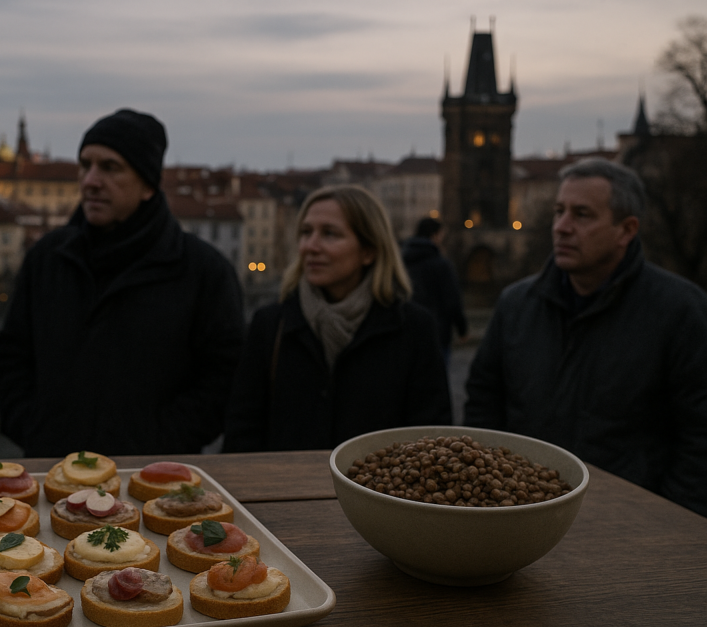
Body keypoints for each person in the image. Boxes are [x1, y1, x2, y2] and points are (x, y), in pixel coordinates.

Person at [0, 108, 244, 459]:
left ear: (147, 185)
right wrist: (35, 428)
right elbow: (12, 357)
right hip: (54, 469)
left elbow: (224, 380)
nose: (90, 181)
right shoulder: (47, 258)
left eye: (110, 168)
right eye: (86, 165)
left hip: (152, 479)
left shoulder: (204, 271)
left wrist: (160, 442)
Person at [465, 158, 707, 516]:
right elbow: (483, 404)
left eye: (582, 215)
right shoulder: (516, 304)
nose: (561, 227)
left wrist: (669, 518)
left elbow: (700, 438)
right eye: (558, 211)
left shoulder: (681, 310)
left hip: (629, 524)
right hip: (521, 517)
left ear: (626, 230)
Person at [223, 185, 452, 453]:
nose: (310, 246)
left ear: (369, 251)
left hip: (374, 494)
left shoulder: (414, 328)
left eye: (329, 234)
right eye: (306, 232)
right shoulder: (270, 325)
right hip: (284, 491)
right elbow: (241, 433)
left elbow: (430, 439)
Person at [401, 217, 468, 363]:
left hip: (405, 330)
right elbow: (452, 298)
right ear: (435, 235)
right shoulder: (441, 264)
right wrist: (462, 328)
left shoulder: (402, 260)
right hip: (437, 331)